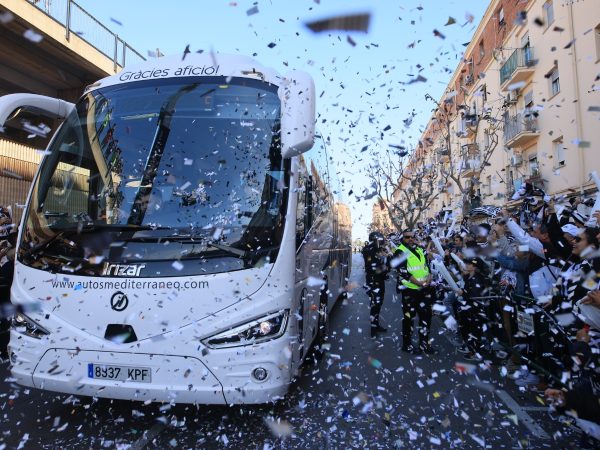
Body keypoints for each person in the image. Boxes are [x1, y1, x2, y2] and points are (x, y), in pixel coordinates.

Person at [395, 229, 435, 354]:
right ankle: (407, 345)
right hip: (410, 292)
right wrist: (421, 283)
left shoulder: (419, 249)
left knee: (426, 318)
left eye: (412, 237)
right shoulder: (400, 251)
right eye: (407, 237)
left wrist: (429, 278)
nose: (410, 239)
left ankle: (424, 344)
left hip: (424, 290)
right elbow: (404, 273)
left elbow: (427, 266)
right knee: (409, 319)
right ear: (402, 238)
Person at [362, 232, 390, 337]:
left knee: (379, 304)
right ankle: (373, 329)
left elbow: (386, 264)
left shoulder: (379, 250)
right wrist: (385, 266)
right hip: (373, 281)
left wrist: (387, 258)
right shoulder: (368, 250)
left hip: (380, 280)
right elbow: (372, 268)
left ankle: (376, 324)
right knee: (375, 305)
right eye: (380, 240)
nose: (382, 242)